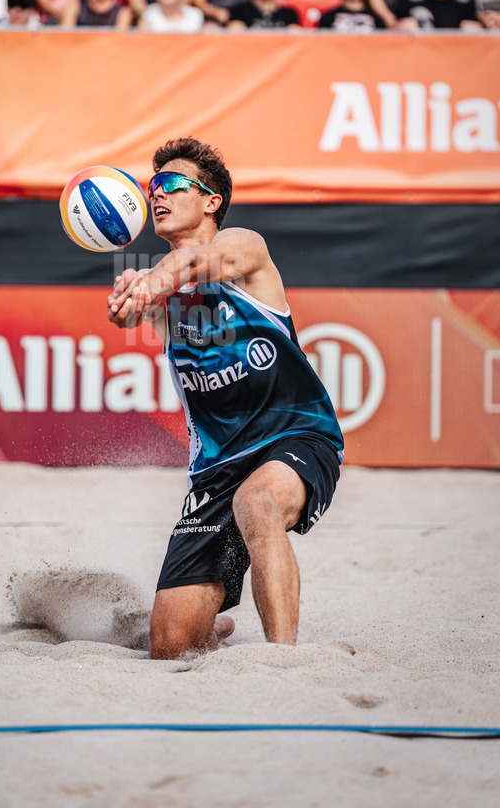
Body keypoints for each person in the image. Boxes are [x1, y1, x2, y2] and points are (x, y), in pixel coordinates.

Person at [107, 137, 343, 659]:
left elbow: (192, 266)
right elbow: (137, 306)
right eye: (152, 187)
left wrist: (149, 281)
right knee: (170, 646)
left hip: (295, 436)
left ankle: (284, 660)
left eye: (171, 184)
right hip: (216, 467)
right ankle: (217, 630)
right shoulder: (163, 289)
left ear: (211, 200)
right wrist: (128, 299)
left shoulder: (244, 247)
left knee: (257, 503)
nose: (157, 195)